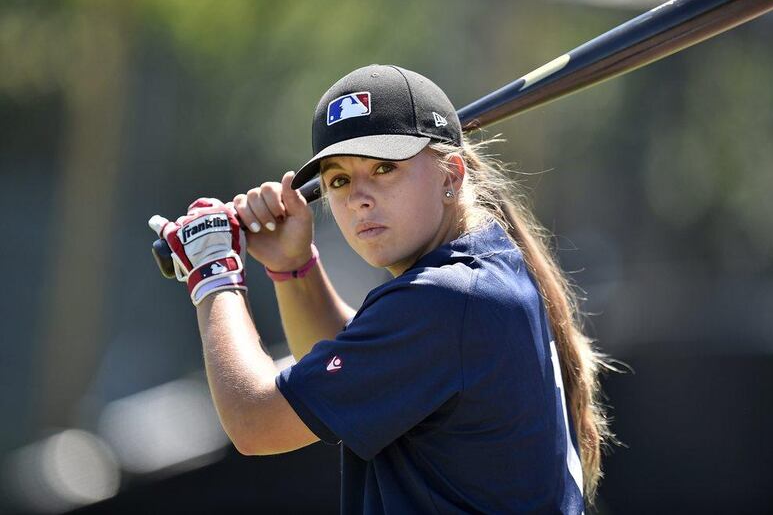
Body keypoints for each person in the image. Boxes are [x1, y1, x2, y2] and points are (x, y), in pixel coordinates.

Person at [152, 64, 614, 513]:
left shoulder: (446, 298)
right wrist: (293, 269)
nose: (358, 198)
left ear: (451, 176)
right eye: (339, 179)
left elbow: (254, 422)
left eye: (384, 168)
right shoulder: (486, 270)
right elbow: (363, 373)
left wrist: (215, 272)